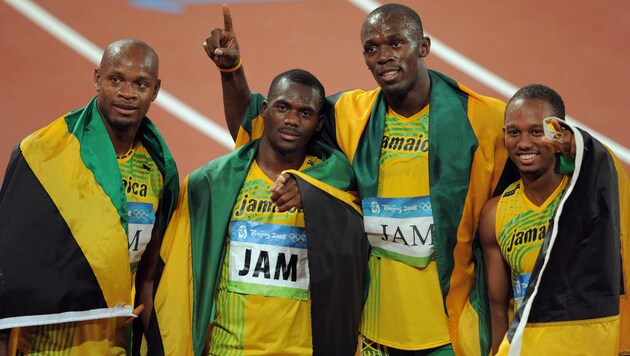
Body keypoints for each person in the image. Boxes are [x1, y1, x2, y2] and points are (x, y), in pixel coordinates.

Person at [204, 3, 516, 355]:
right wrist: (232, 72)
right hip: (373, 334)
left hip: (451, 333)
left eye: (396, 43)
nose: (383, 56)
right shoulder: (352, 114)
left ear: (423, 47)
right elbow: (268, 133)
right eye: (372, 48)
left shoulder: (484, 119)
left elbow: (536, 173)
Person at [150, 69, 368, 355]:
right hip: (229, 350)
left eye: (305, 113)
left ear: (319, 123)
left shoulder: (335, 183)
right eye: (282, 107)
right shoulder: (213, 184)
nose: (291, 120)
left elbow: (360, 249)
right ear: (265, 110)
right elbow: (178, 279)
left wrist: (314, 197)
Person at [0, 38, 179, 355]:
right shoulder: (43, 154)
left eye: (140, 83)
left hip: (113, 345)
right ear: (97, 79)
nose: (126, 93)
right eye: (115, 79)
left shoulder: (158, 167)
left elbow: (148, 277)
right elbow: (10, 267)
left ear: (156, 90)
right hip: (46, 347)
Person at [479, 84, 629, 355]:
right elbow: (498, 306)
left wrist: (583, 146)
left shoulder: (588, 198)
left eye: (537, 132)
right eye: (514, 132)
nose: (524, 143)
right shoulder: (494, 214)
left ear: (558, 133)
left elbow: (610, 171)